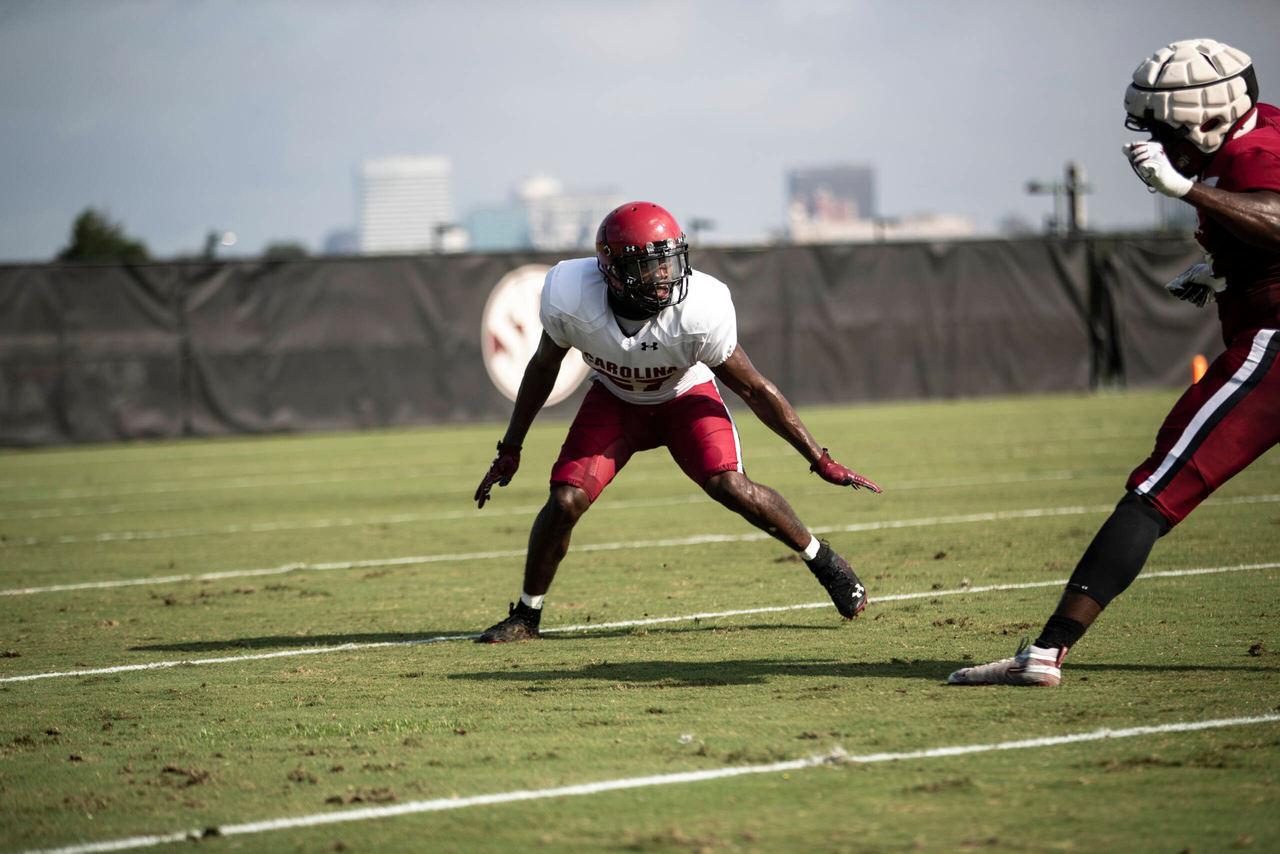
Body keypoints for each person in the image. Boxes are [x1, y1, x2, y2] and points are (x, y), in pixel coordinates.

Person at [949, 39, 1280, 687]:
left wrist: (1186, 190)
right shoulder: (1258, 127)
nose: (1154, 135)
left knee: (1157, 491)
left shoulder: (1254, 150)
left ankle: (1044, 653)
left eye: (1163, 122)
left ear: (1207, 115)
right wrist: (1223, 270)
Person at [472, 202, 882, 642]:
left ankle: (823, 560)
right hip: (615, 401)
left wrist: (818, 458)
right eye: (649, 267)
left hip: (684, 396)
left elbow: (754, 390)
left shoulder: (701, 308)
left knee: (732, 486)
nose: (665, 276)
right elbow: (542, 368)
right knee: (566, 500)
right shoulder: (571, 294)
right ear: (613, 269)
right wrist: (510, 447)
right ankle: (526, 615)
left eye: (669, 261)